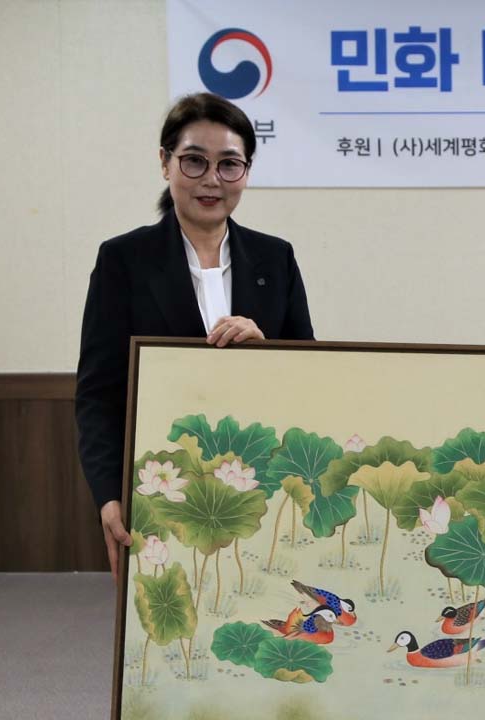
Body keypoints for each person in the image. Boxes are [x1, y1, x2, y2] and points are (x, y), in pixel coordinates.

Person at [76, 93, 314, 579]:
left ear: (246, 172)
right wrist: (108, 494)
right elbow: (98, 394)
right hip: (161, 484)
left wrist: (267, 350)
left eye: (229, 164)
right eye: (194, 161)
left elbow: (309, 372)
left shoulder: (276, 259)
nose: (211, 179)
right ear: (165, 163)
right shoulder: (123, 260)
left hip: (261, 484)